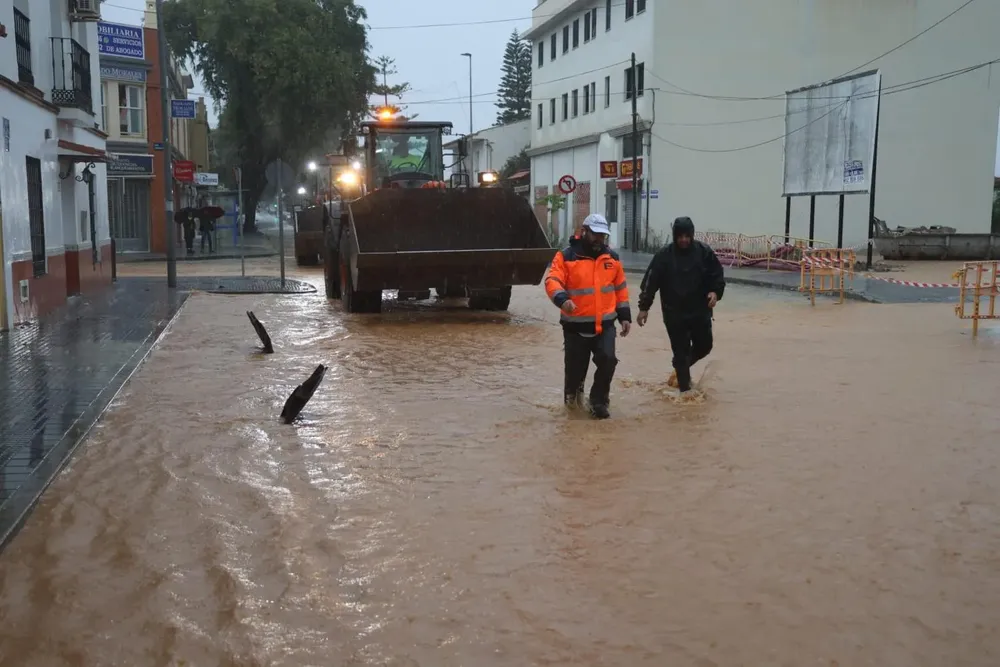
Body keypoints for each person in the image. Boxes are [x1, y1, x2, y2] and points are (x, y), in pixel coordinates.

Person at [545, 213, 631, 419]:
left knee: (608, 360)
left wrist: (625, 316)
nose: (599, 240)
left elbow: (620, 289)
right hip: (575, 328)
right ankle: (572, 406)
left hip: (605, 326)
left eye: (603, 236)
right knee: (575, 374)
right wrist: (563, 299)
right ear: (584, 231)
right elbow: (552, 280)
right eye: (596, 235)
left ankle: (598, 401)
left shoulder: (612, 259)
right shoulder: (565, 257)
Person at [636, 216, 725, 394]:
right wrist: (644, 308)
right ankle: (685, 395)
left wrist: (715, 292)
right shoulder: (663, 256)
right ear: (675, 236)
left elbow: (717, 275)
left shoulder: (704, 252)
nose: (683, 240)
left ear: (692, 235)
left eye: (687, 236)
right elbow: (650, 282)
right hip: (674, 314)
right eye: (680, 236)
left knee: (705, 346)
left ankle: (679, 366)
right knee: (681, 353)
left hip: (700, 311)